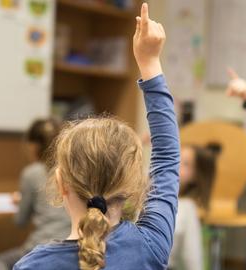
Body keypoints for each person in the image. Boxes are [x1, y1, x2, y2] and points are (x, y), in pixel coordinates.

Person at [14, 3, 180, 270]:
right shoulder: (150, 245)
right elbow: (167, 158)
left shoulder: (32, 265)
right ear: (132, 184)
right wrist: (150, 64)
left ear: (59, 182)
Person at [0, 119, 70, 270]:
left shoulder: (32, 173)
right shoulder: (72, 170)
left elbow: (20, 221)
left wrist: (22, 201)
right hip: (74, 246)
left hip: (43, 245)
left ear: (34, 146)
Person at [169, 145, 217, 270]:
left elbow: (193, 259)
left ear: (196, 175)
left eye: (185, 163)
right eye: (176, 157)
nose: (176, 164)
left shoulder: (187, 209)